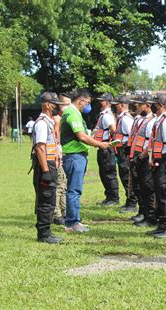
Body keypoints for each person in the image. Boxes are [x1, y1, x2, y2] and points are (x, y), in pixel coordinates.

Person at [60, 89, 110, 232]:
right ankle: (72, 223)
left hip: (76, 156)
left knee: (75, 189)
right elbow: (82, 136)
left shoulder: (74, 113)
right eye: (87, 103)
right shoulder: (73, 113)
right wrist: (100, 144)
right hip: (74, 156)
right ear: (81, 100)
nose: (87, 106)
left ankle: (74, 221)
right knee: (74, 190)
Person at [31, 92, 64, 243]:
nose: (57, 107)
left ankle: (46, 232)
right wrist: (45, 171)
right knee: (46, 199)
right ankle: (43, 234)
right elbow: (40, 148)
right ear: (47, 105)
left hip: (51, 164)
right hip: (46, 165)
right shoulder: (42, 123)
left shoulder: (49, 122)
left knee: (49, 199)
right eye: (55, 104)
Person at [147, 94, 166, 238]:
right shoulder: (159, 121)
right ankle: (162, 223)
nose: (152, 105)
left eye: (155, 103)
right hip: (157, 161)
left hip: (164, 161)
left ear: (160, 105)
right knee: (159, 193)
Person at [129, 95, 158, 228]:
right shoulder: (142, 120)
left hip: (145, 158)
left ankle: (150, 215)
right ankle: (144, 212)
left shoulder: (152, 121)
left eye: (140, 104)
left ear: (147, 105)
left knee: (147, 187)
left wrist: (141, 156)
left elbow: (151, 142)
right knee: (140, 186)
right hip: (138, 156)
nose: (137, 107)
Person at [111, 96, 137, 213]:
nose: (116, 106)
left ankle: (132, 202)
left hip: (125, 152)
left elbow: (131, 136)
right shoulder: (122, 118)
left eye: (117, 104)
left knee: (128, 177)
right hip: (121, 151)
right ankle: (129, 200)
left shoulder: (126, 119)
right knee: (124, 176)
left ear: (122, 105)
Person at [93, 93, 119, 206]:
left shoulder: (107, 115)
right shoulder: (103, 114)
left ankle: (113, 198)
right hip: (102, 147)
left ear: (107, 103)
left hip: (106, 148)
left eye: (102, 101)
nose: (100, 103)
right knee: (104, 173)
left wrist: (110, 141)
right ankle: (109, 197)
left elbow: (113, 129)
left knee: (108, 173)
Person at [50, 93, 72, 225]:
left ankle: (63, 211)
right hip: (56, 155)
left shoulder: (64, 118)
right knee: (59, 185)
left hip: (62, 155)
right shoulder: (57, 119)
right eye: (66, 104)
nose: (68, 107)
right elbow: (56, 138)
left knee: (63, 184)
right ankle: (56, 213)